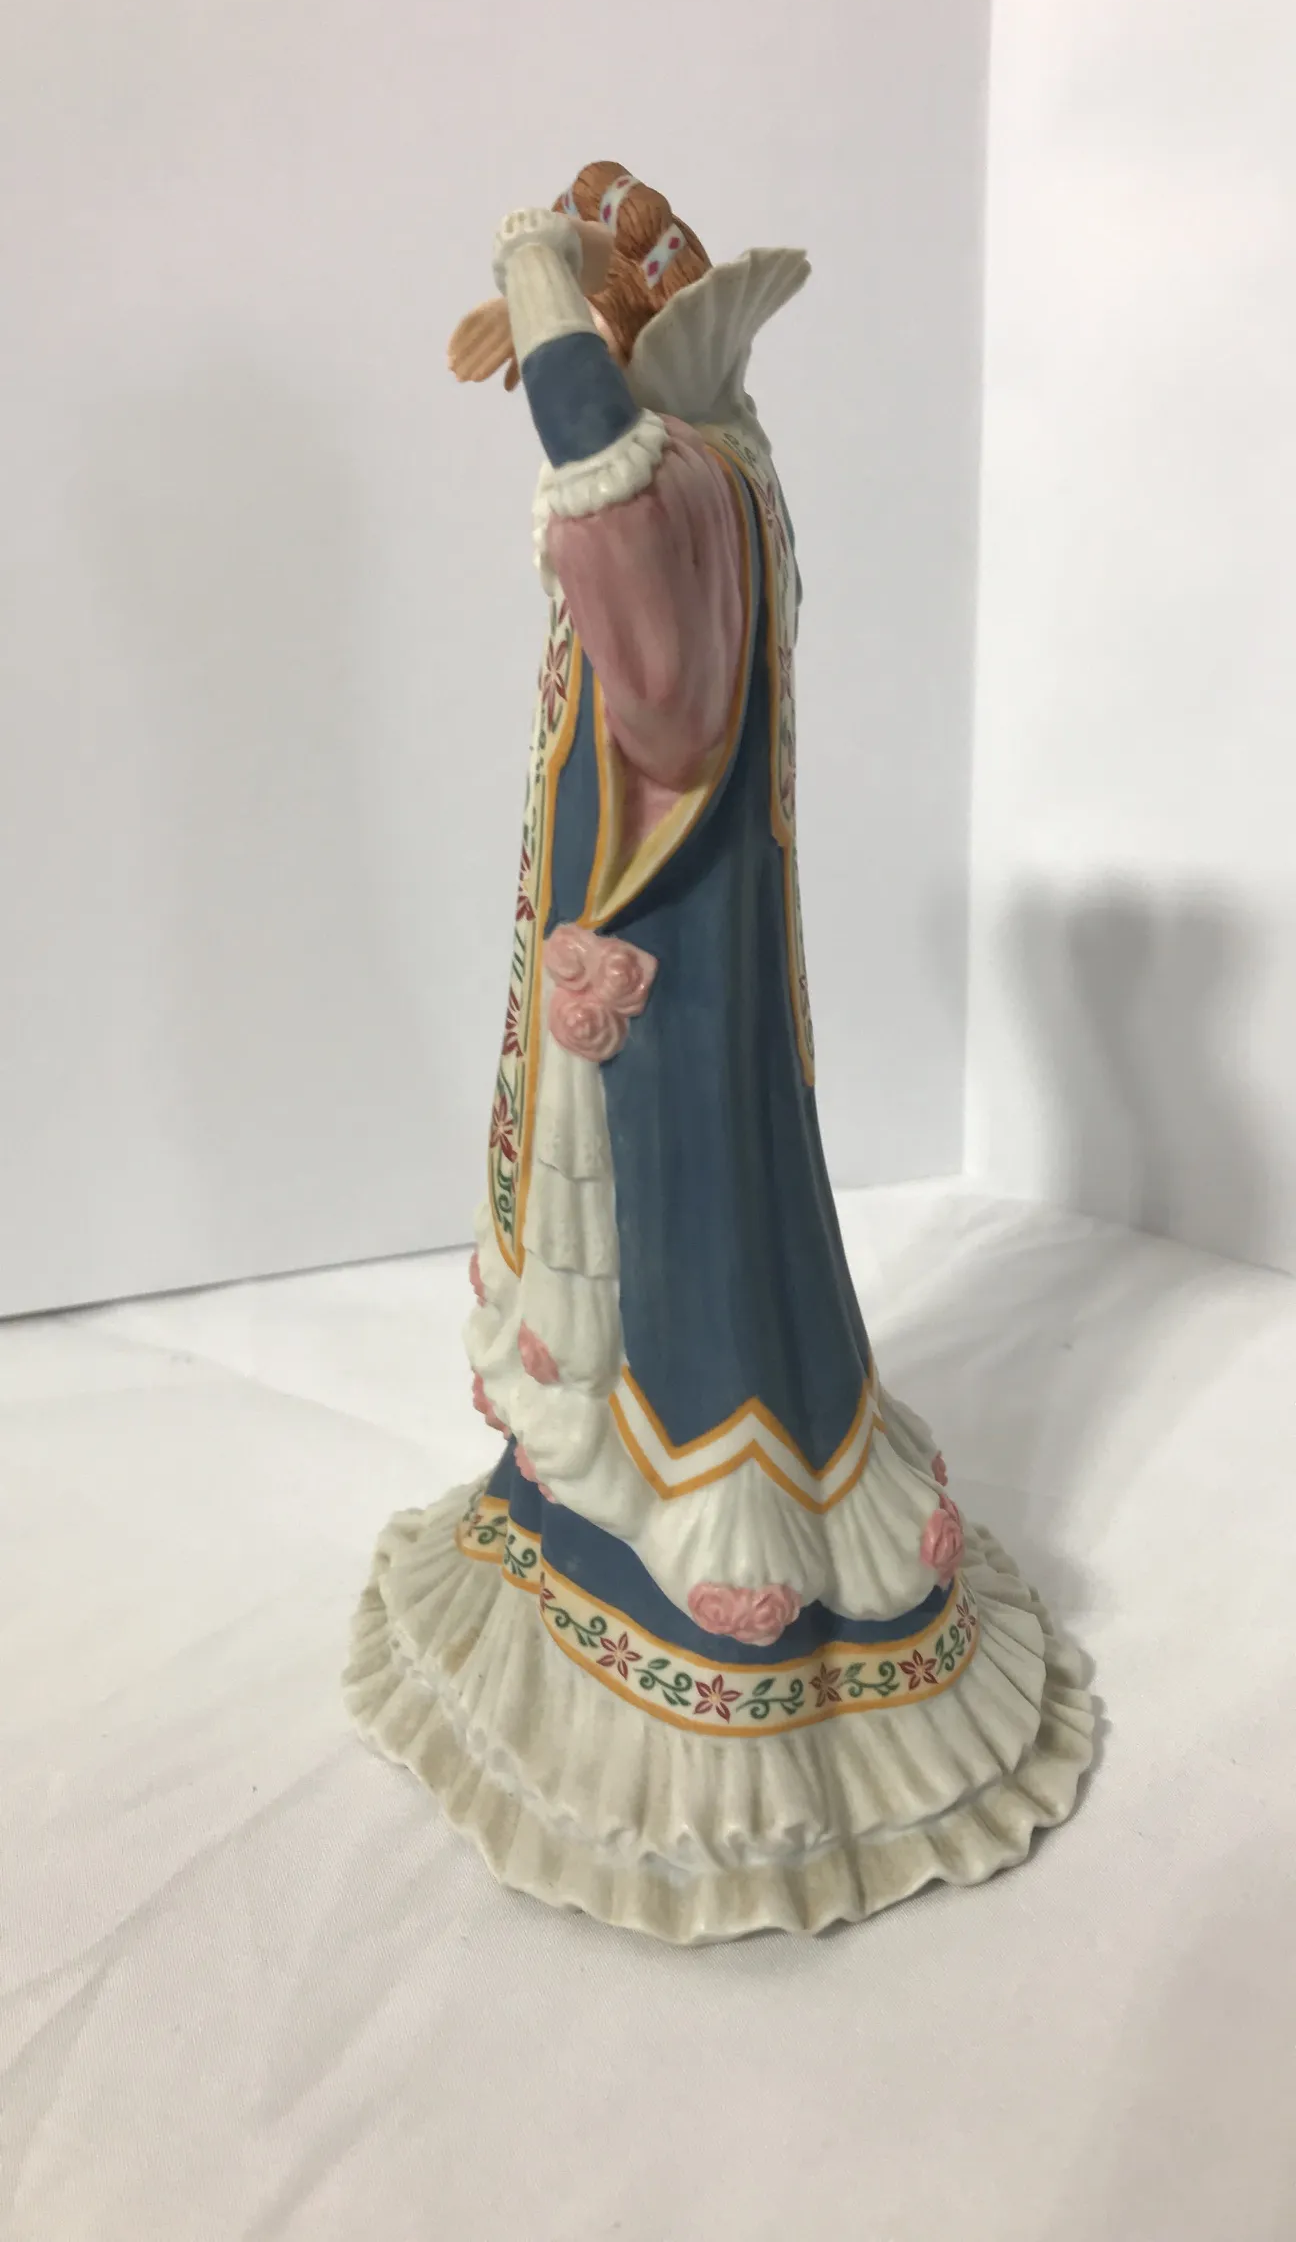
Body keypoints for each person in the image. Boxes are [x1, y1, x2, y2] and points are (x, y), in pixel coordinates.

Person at [346, 163, 1094, 1940]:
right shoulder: (728, 463)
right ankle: (661, 1489)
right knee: (689, 1223)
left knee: (678, 1230)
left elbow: (659, 681)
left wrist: (536, 281)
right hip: (681, 941)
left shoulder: (675, 477)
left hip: (668, 965)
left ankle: (716, 1525)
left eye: (591, 322)